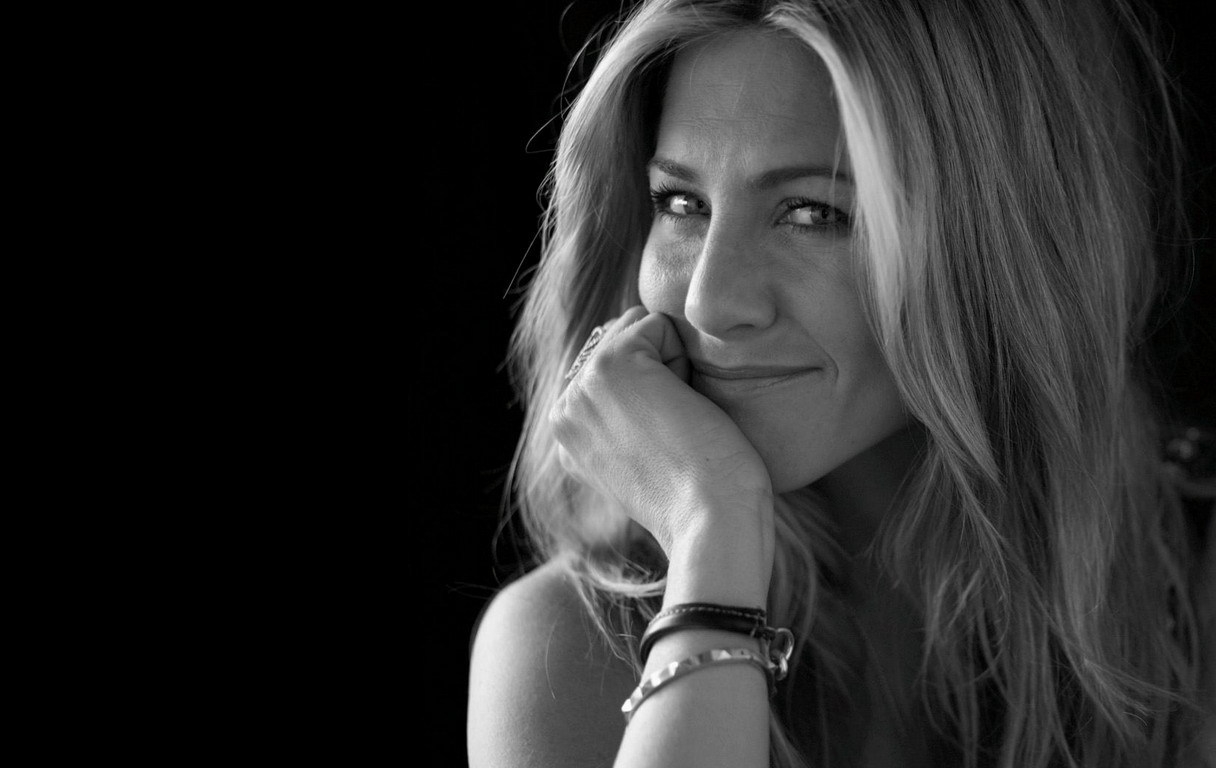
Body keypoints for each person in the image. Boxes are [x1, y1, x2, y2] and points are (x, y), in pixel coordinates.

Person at [466, 0, 1216, 765]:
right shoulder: (567, 648)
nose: (709, 303)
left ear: (1007, 242)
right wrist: (710, 543)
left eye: (811, 213)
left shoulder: (1191, 592)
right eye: (681, 204)